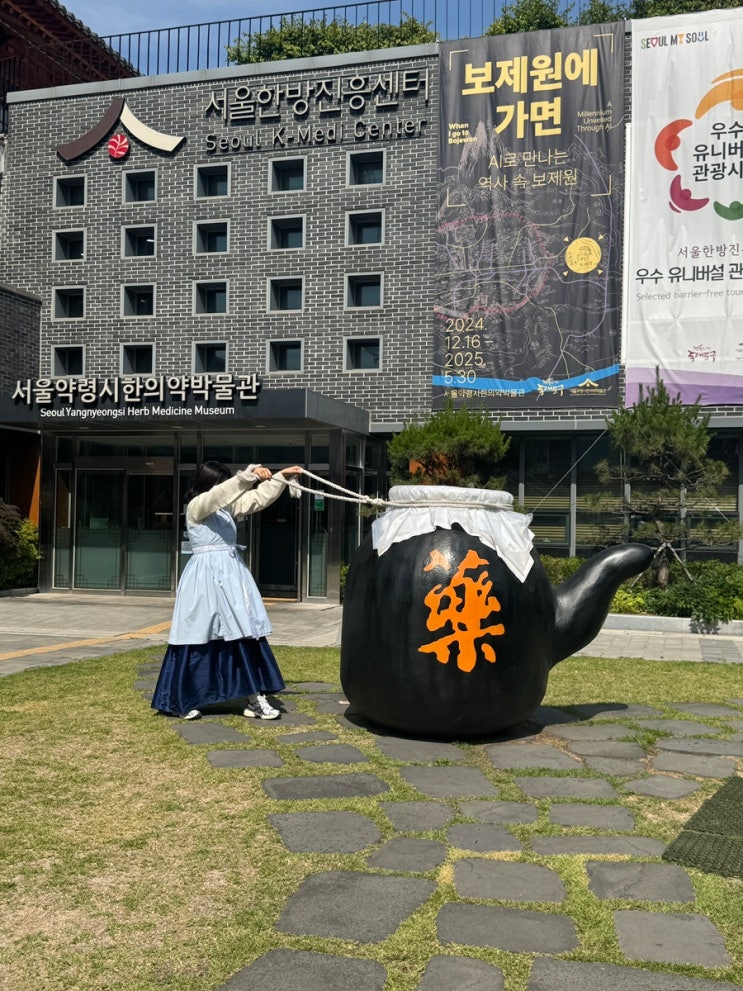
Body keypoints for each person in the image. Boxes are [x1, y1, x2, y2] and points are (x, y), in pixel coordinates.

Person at [151, 460, 303, 721]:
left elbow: (256, 499)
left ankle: (253, 698)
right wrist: (247, 475)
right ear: (209, 483)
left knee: (241, 630)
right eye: (220, 482)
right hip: (204, 579)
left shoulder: (225, 508)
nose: (224, 487)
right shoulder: (197, 506)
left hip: (231, 576)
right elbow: (217, 496)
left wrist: (281, 477)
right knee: (197, 633)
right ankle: (181, 700)